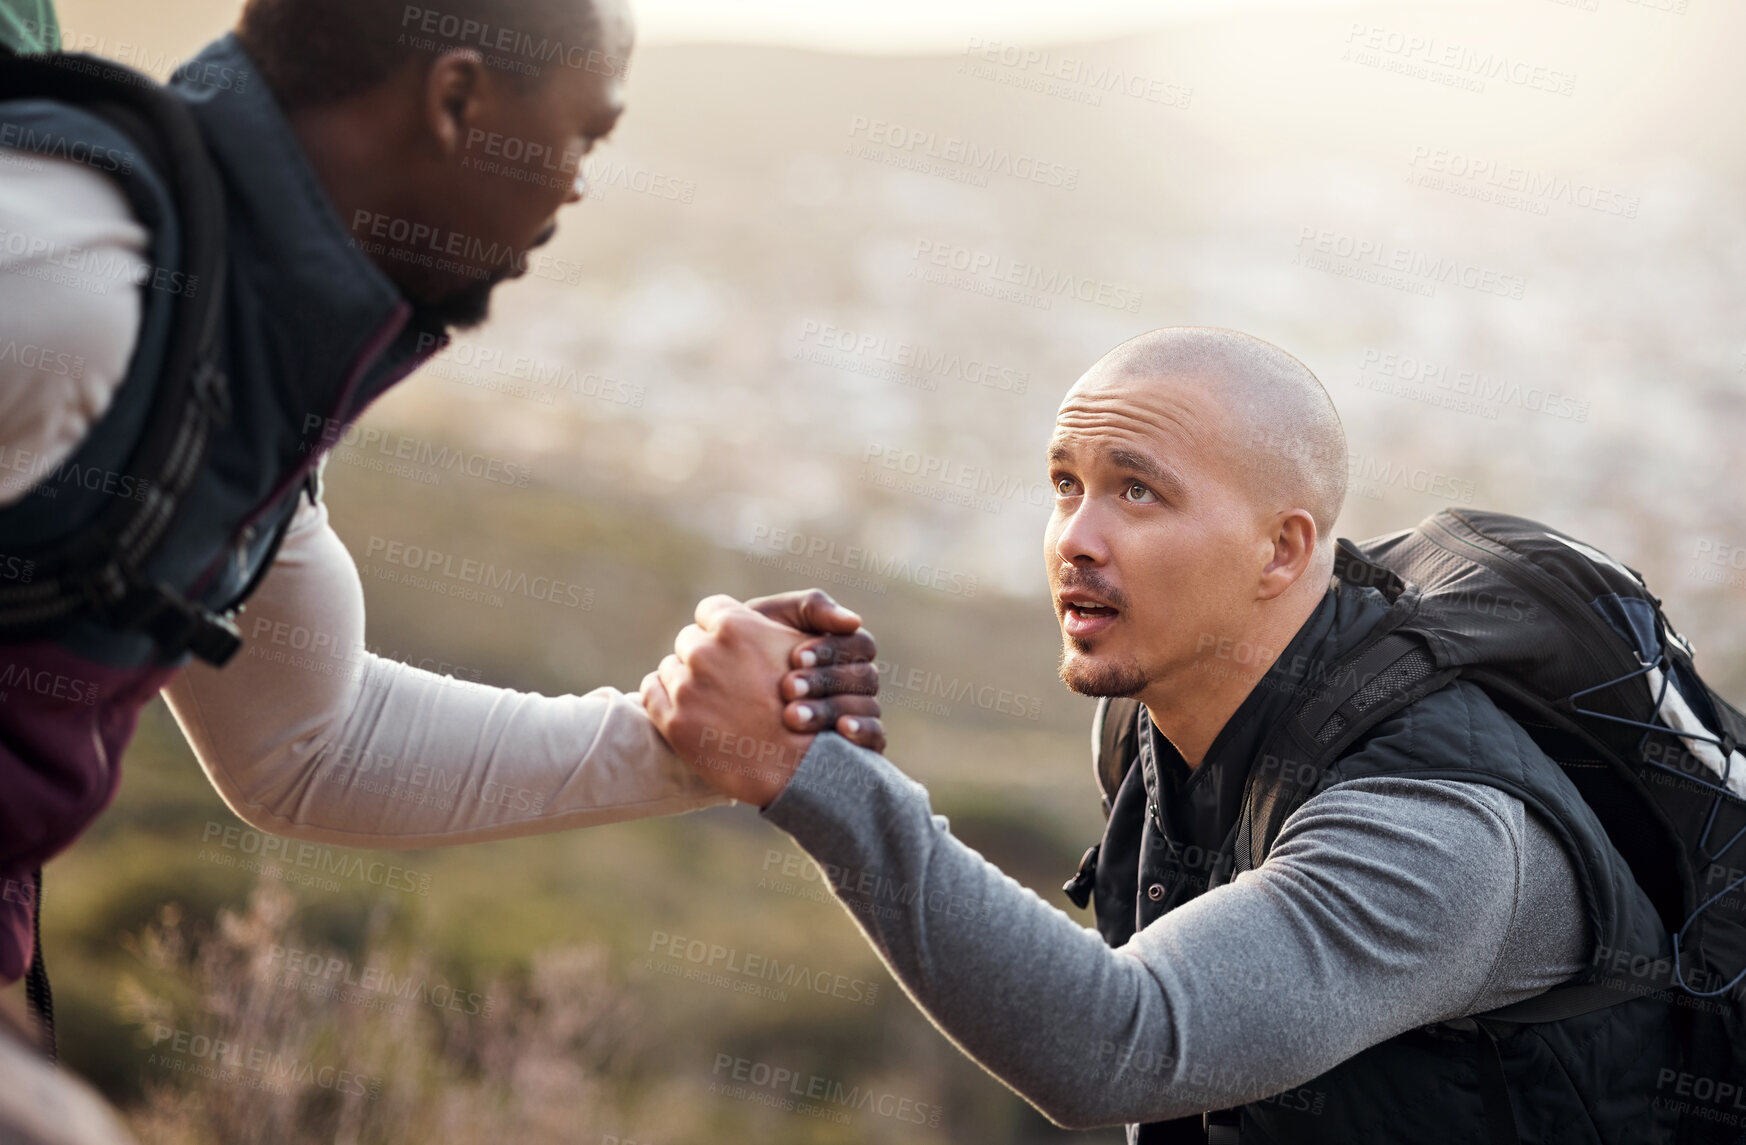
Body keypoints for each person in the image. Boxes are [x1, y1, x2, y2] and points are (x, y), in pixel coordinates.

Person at [0, 0, 886, 1033]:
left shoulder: (236, 352)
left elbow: (313, 744)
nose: (575, 188)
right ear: (457, 98)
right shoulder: (61, 287)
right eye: (582, 136)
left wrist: (687, 742)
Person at [642, 327, 1682, 1143]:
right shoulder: (1149, 720)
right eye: (1065, 484)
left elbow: (1118, 1042)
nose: (1077, 539)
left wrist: (809, 774)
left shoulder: (1441, 835)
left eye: (1137, 489)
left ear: (1282, 550)